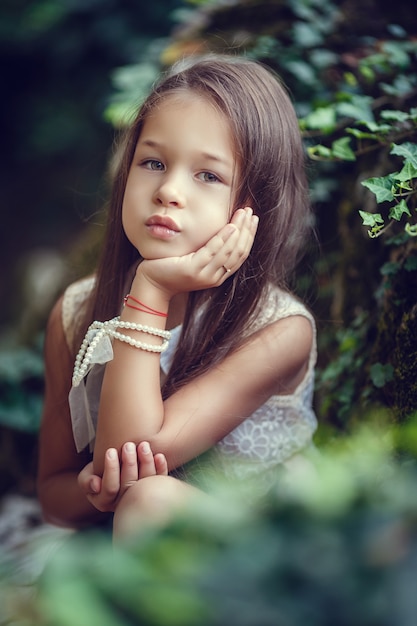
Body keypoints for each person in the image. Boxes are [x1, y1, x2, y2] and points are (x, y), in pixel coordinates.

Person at [37, 54, 318, 541]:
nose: (168, 190)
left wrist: (151, 288)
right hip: (150, 553)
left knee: (150, 499)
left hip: (269, 556)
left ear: (256, 205)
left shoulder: (279, 331)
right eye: (153, 163)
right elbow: (53, 493)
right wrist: (90, 490)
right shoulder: (79, 310)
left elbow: (139, 461)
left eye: (208, 176)